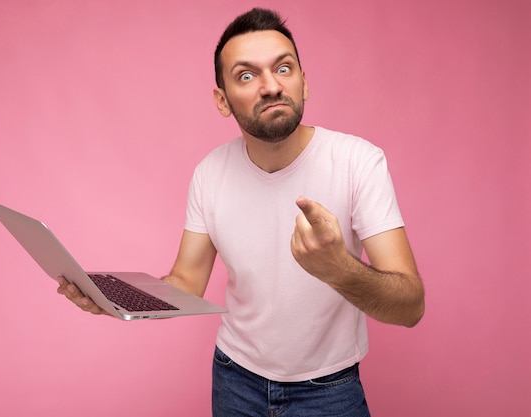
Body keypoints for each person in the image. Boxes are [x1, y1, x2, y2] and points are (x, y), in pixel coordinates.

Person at [57, 7, 425, 416]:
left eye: (284, 69)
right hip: (235, 380)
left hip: (330, 390)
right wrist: (117, 300)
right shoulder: (210, 173)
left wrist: (337, 267)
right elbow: (186, 281)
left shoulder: (359, 162)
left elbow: (410, 306)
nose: (270, 86)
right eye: (246, 76)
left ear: (304, 84)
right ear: (222, 100)